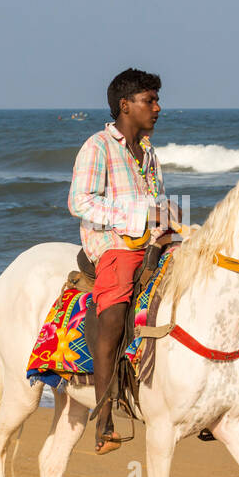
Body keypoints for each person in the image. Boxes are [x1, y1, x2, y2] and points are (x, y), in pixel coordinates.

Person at [68, 68, 179, 454]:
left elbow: (157, 201)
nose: (157, 108)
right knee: (113, 310)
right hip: (112, 244)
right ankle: (105, 416)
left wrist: (168, 219)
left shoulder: (148, 153)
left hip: (151, 241)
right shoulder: (97, 146)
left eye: (156, 100)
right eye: (150, 100)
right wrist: (134, 215)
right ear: (125, 105)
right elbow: (79, 202)